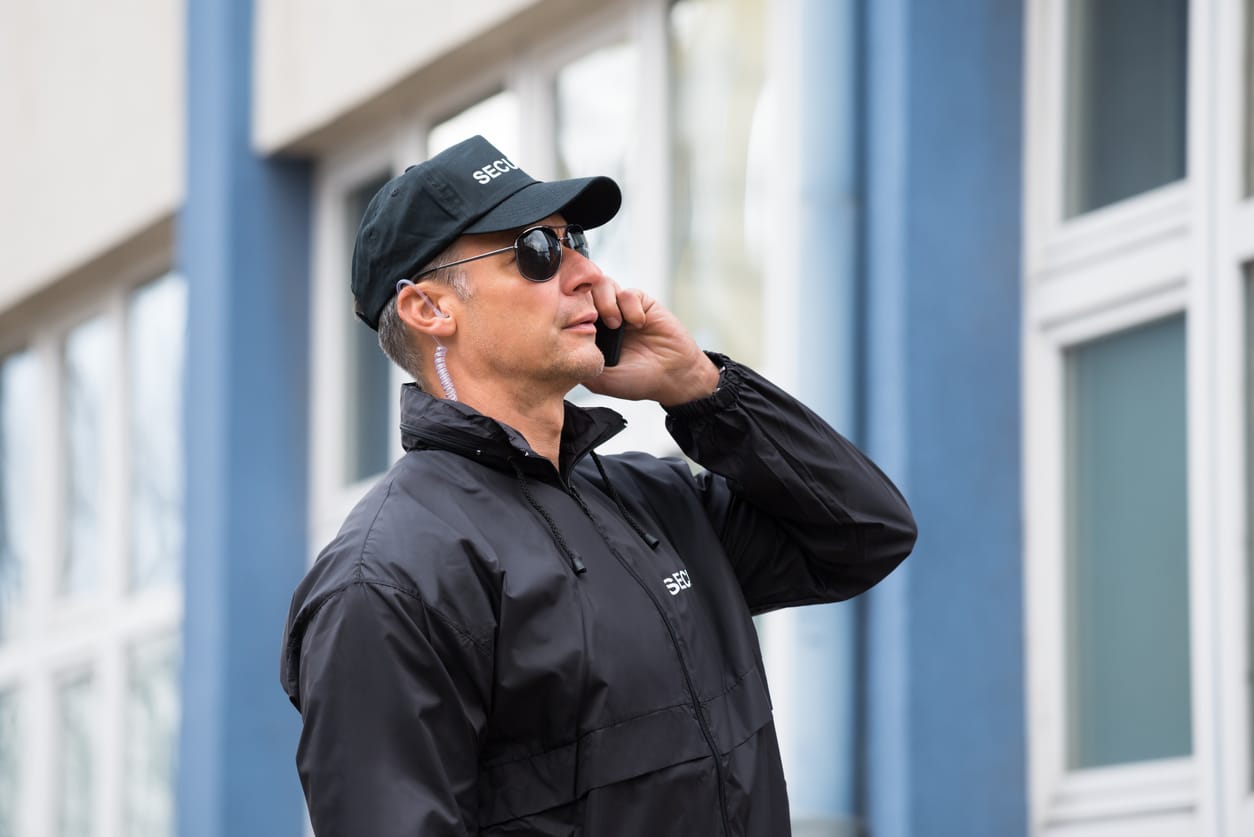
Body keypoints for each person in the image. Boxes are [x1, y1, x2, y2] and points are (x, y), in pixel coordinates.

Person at [280, 134, 916, 836]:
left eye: (575, 241)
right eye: (537, 251)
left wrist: (704, 391)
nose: (586, 272)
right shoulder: (391, 576)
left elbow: (865, 532)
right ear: (429, 309)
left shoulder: (659, 504)